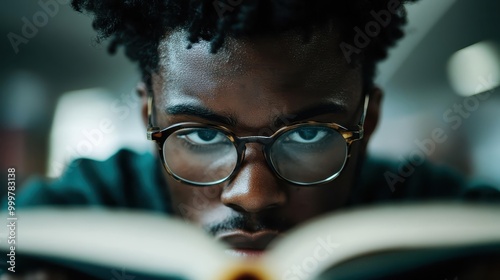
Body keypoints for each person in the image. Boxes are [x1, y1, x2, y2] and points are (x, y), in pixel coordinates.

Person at [5, 0, 499, 277]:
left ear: (366, 124)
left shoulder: (445, 221)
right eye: (199, 134)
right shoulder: (74, 212)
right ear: (147, 116)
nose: (253, 196)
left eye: (308, 134)